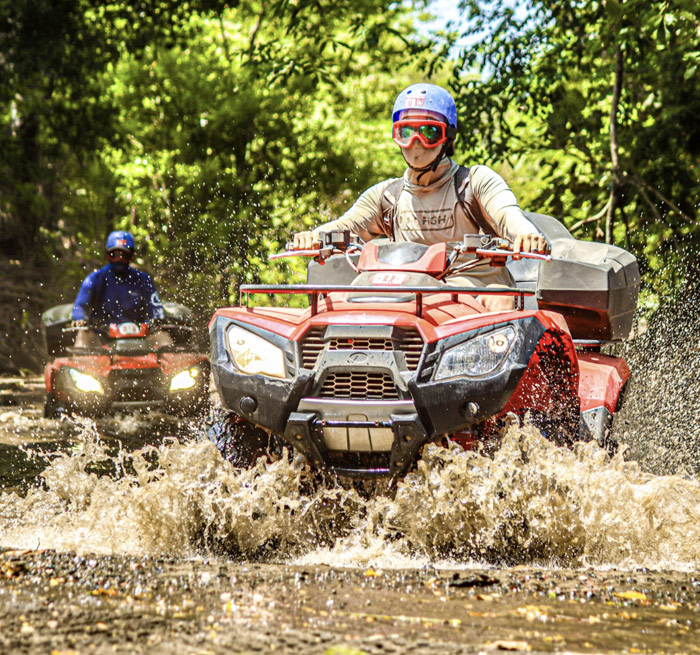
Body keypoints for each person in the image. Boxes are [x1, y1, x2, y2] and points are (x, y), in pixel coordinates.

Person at [293, 83, 548, 310]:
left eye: (429, 132)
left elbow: (508, 215)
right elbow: (347, 225)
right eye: (406, 132)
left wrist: (526, 235)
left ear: (448, 137)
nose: (416, 142)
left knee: (500, 298)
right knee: (338, 305)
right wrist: (314, 237)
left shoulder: (474, 182)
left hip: (474, 295)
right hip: (411, 297)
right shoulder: (388, 196)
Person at [71, 230, 172, 349]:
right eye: (114, 255)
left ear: (132, 256)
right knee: (84, 335)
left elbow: (156, 309)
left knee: (162, 336)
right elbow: (79, 306)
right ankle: (82, 361)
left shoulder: (144, 280)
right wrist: (79, 318)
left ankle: (172, 361)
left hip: (141, 339)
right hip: (102, 338)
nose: (119, 259)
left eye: (125, 256)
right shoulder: (95, 279)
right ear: (107, 255)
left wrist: (158, 319)